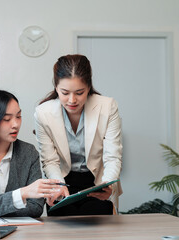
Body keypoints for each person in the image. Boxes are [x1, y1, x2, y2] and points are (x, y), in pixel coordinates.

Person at [34, 54, 123, 216]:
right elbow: (49, 160)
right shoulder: (43, 113)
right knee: (62, 223)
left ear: (88, 87)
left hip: (97, 182)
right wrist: (59, 185)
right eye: (65, 92)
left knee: (97, 220)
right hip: (62, 182)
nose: (72, 100)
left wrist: (108, 185)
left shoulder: (108, 106)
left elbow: (113, 157)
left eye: (79, 92)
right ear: (56, 87)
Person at [0, 90, 63, 217]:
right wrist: (22, 194)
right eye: (7, 119)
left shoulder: (29, 153)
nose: (15, 125)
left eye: (18, 116)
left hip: (21, 233)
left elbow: (36, 208)